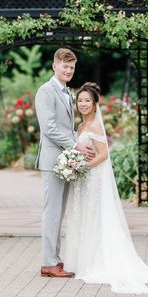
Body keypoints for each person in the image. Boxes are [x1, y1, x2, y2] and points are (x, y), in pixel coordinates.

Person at [63, 82, 148, 294]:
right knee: (84, 216)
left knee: (95, 216)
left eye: (87, 101)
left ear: (95, 103)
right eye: (80, 100)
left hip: (92, 178)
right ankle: (83, 259)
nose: (82, 104)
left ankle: (97, 261)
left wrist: (81, 168)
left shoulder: (96, 127)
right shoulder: (80, 126)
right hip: (83, 179)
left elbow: (103, 155)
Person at [34, 48, 96, 278]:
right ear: (54, 66)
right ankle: (48, 263)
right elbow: (48, 127)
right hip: (53, 161)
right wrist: (75, 145)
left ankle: (54, 260)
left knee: (59, 213)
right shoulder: (45, 91)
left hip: (65, 162)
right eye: (64, 66)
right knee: (52, 212)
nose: (68, 70)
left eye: (71, 67)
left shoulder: (66, 93)